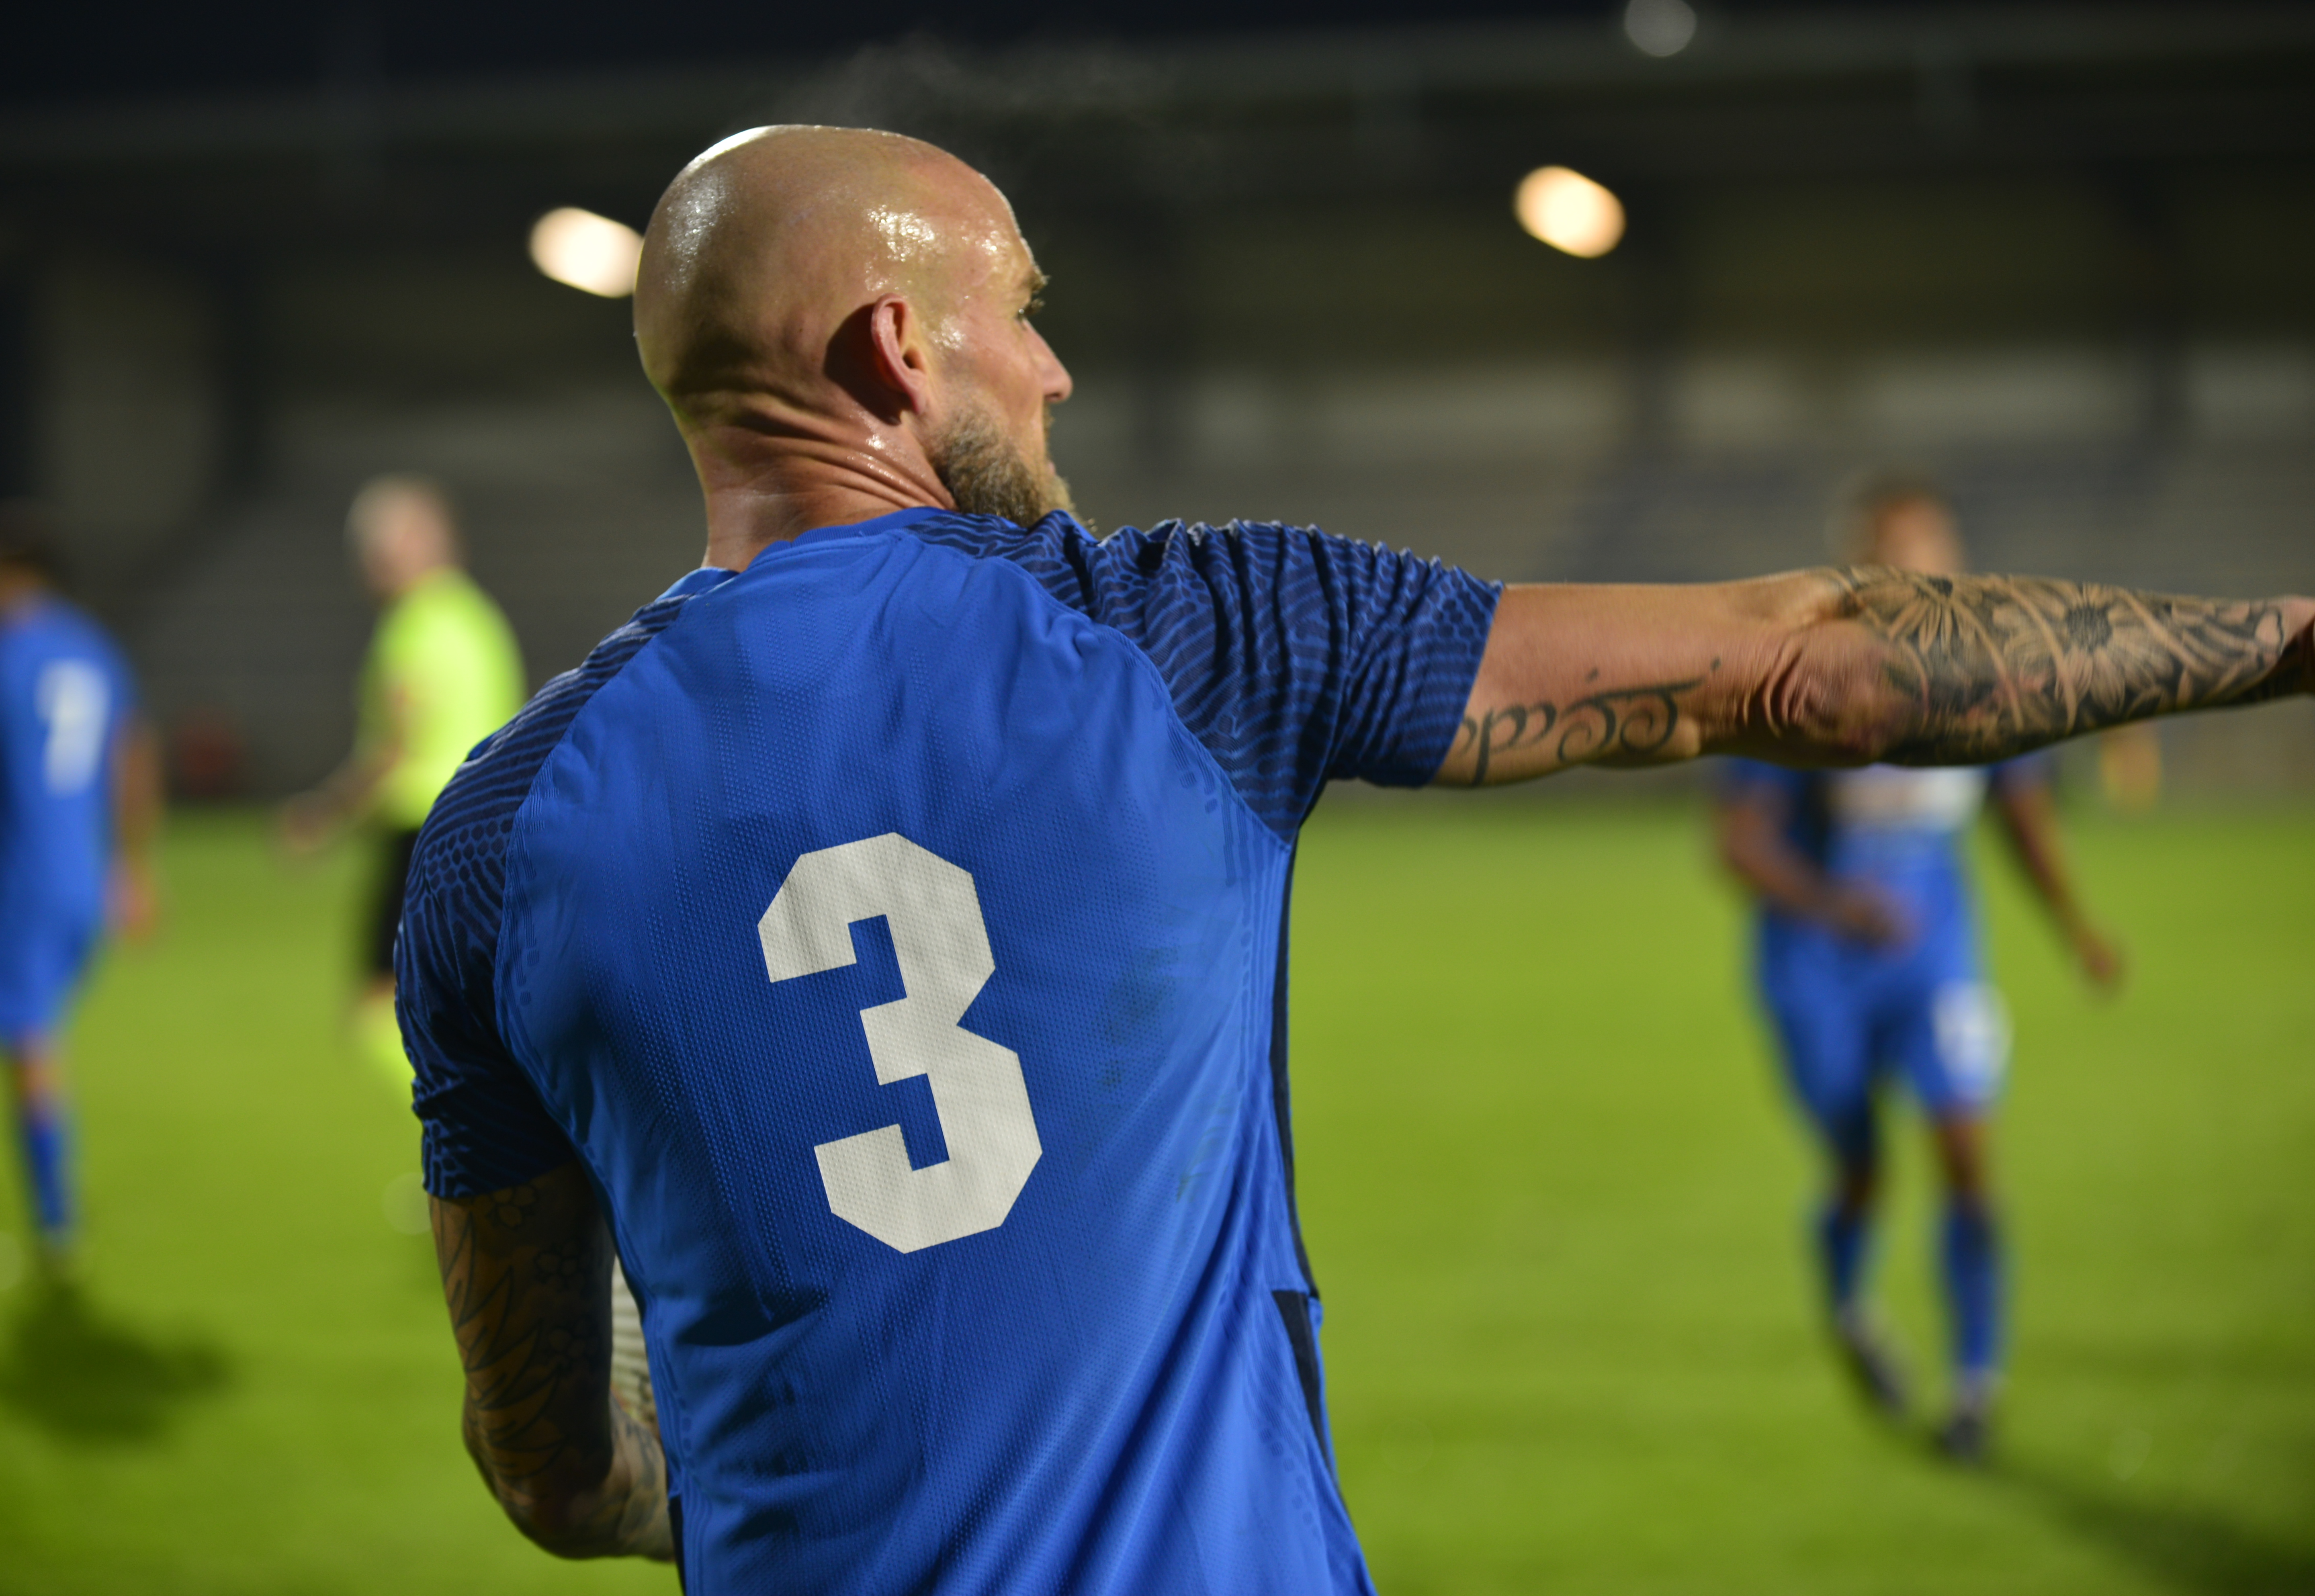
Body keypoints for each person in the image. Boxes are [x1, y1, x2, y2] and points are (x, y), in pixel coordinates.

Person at [394, 125, 2313, 1592]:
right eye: (1019, 311)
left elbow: (556, 1471)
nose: (1053, 369)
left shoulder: (496, 839)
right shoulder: (1204, 637)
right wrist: (2284, 637)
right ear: (897, 350)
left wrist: (729, 1498)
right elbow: (1815, 668)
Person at [1717, 477, 2125, 1464]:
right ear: (1855, 572)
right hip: (1818, 964)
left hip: (1935, 951)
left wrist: (2074, 924)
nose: (1916, 578)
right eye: (1891, 559)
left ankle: (1976, 1390)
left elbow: (2018, 813)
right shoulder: (1800, 677)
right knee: (1861, 1167)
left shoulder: (1985, 676)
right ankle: (1852, 1308)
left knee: (1965, 1153)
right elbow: (1738, 844)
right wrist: (1832, 902)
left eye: (1929, 556)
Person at [0, 511, 160, 1281]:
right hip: (85, 878)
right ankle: (54, 1217)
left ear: (5, 571)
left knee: (26, 1043)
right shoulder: (92, 646)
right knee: (32, 1036)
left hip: (22, 878)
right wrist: (131, 867)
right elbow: (134, 754)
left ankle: (55, 1224)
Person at [280, 476, 522, 1092]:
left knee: (374, 1011)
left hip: (423, 833)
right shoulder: (479, 618)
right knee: (475, 1009)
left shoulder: (412, 627)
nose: (369, 564)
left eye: (377, 548)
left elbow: (393, 750)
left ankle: (460, 1147)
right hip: (491, 830)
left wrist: (324, 818)